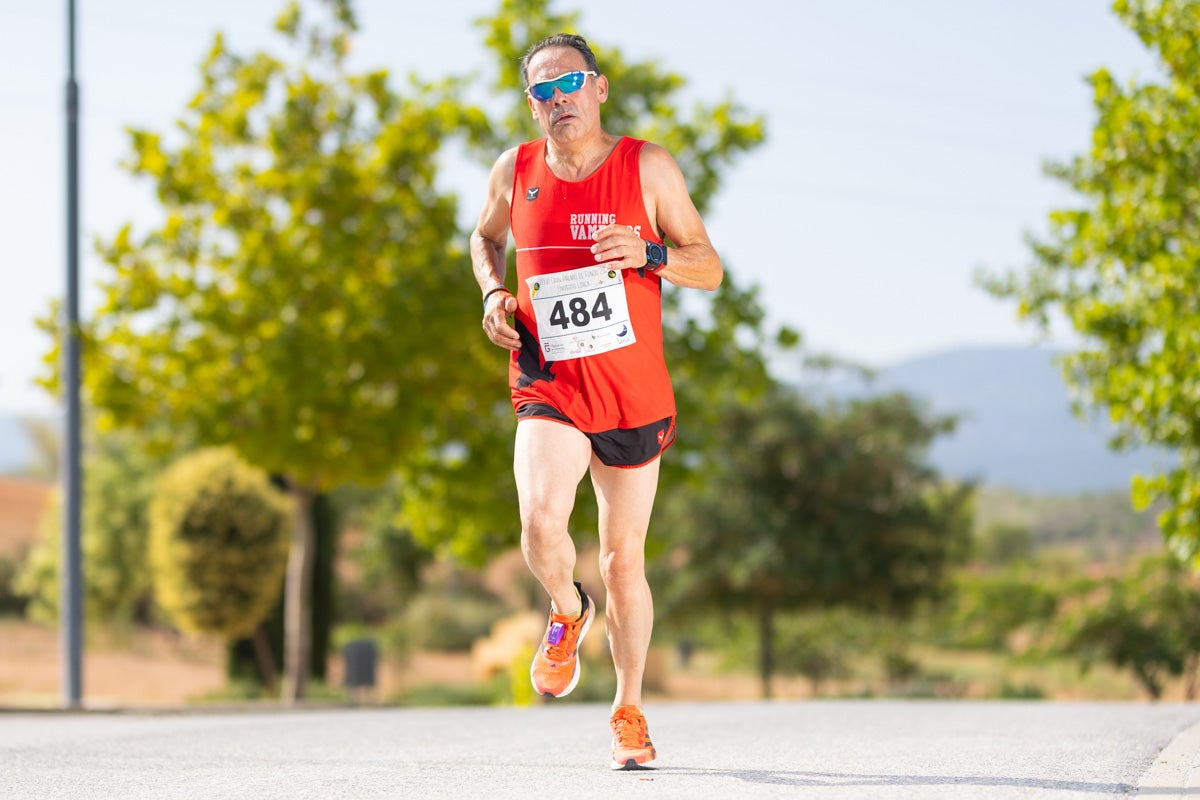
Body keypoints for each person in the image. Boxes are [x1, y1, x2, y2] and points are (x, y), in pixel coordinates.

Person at [470, 32, 722, 771]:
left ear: (599, 88)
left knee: (621, 561)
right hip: (549, 379)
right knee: (541, 519)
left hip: (633, 393)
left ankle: (629, 708)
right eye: (543, 93)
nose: (558, 102)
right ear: (530, 106)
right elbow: (483, 238)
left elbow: (708, 267)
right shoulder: (513, 170)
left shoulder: (646, 165)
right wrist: (491, 290)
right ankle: (566, 609)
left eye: (570, 85)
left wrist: (648, 254)